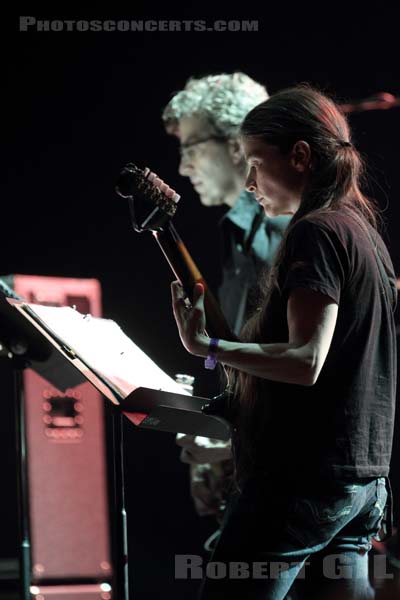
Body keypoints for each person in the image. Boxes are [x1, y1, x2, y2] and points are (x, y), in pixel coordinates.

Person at [170, 85, 397, 599]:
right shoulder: (363, 232)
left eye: (255, 163)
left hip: (302, 482)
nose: (249, 182)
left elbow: (304, 360)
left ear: (299, 156)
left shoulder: (314, 232)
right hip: (362, 486)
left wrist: (208, 346)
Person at [162, 73, 290, 520]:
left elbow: (306, 364)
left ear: (237, 144)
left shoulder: (284, 232)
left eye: (191, 148)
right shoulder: (239, 231)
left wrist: (233, 441)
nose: (182, 167)